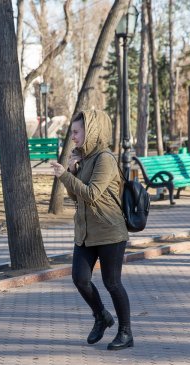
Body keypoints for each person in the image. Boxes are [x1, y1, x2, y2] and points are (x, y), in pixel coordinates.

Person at [50, 110, 133, 350]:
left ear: (91, 131)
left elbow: (92, 194)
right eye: (72, 132)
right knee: (80, 279)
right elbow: (76, 196)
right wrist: (72, 173)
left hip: (109, 231)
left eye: (76, 132)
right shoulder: (84, 158)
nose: (73, 137)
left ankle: (126, 332)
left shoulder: (105, 158)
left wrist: (65, 176)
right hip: (85, 232)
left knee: (112, 282)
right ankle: (102, 316)